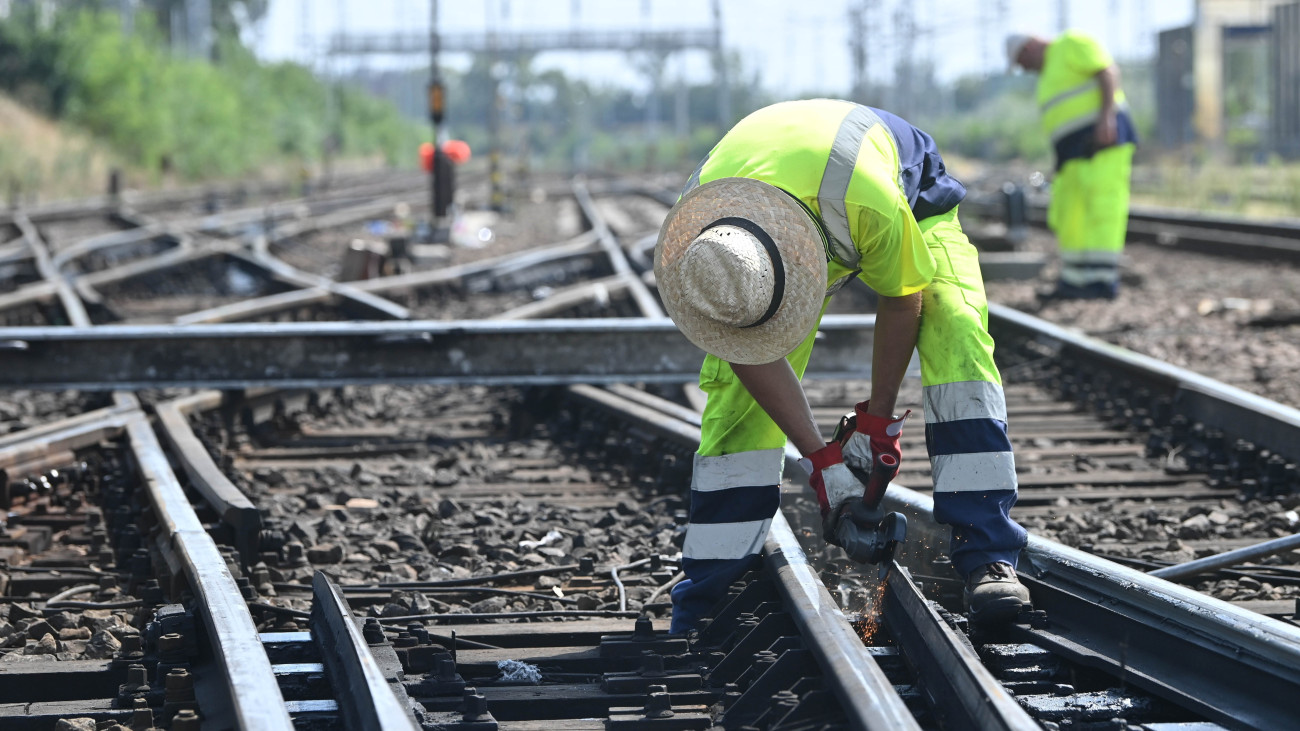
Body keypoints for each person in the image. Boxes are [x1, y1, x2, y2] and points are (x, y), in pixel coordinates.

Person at [653, 99, 1031, 634]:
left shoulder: (871, 203)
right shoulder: (708, 252)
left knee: (956, 330)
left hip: (903, 202)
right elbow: (745, 351)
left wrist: (876, 425)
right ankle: (711, 591)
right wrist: (823, 461)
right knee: (737, 403)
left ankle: (990, 555)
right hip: (772, 219)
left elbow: (903, 300)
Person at [1007, 31, 1138, 300]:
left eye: (1021, 61)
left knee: (1101, 208)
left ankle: (1101, 282)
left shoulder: (1071, 45)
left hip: (1103, 141)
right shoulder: (1049, 73)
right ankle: (1075, 281)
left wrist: (1106, 118)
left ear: (1029, 46)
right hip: (1073, 153)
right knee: (1071, 213)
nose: (1024, 69)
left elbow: (1107, 72)